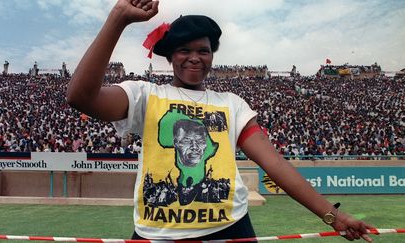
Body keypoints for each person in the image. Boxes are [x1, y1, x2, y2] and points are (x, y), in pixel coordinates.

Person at [66, 0, 374, 241]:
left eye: (203, 50)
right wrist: (119, 17)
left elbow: (275, 164)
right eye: (184, 50)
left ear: (213, 56)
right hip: (157, 234)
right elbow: (80, 97)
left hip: (231, 229)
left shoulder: (231, 104)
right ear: (170, 57)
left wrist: (332, 216)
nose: (195, 57)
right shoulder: (144, 95)